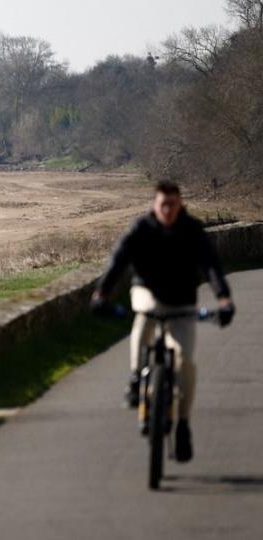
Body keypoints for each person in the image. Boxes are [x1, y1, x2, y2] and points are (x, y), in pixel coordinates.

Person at [91, 180, 235, 462]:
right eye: (163, 205)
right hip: (148, 291)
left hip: (183, 300)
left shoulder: (192, 230)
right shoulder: (141, 229)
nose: (168, 210)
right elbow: (118, 261)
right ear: (155, 205)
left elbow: (210, 266)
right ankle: (136, 378)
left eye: (173, 204)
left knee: (185, 362)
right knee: (145, 317)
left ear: (180, 204)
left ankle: (183, 425)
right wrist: (102, 293)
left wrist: (224, 299)